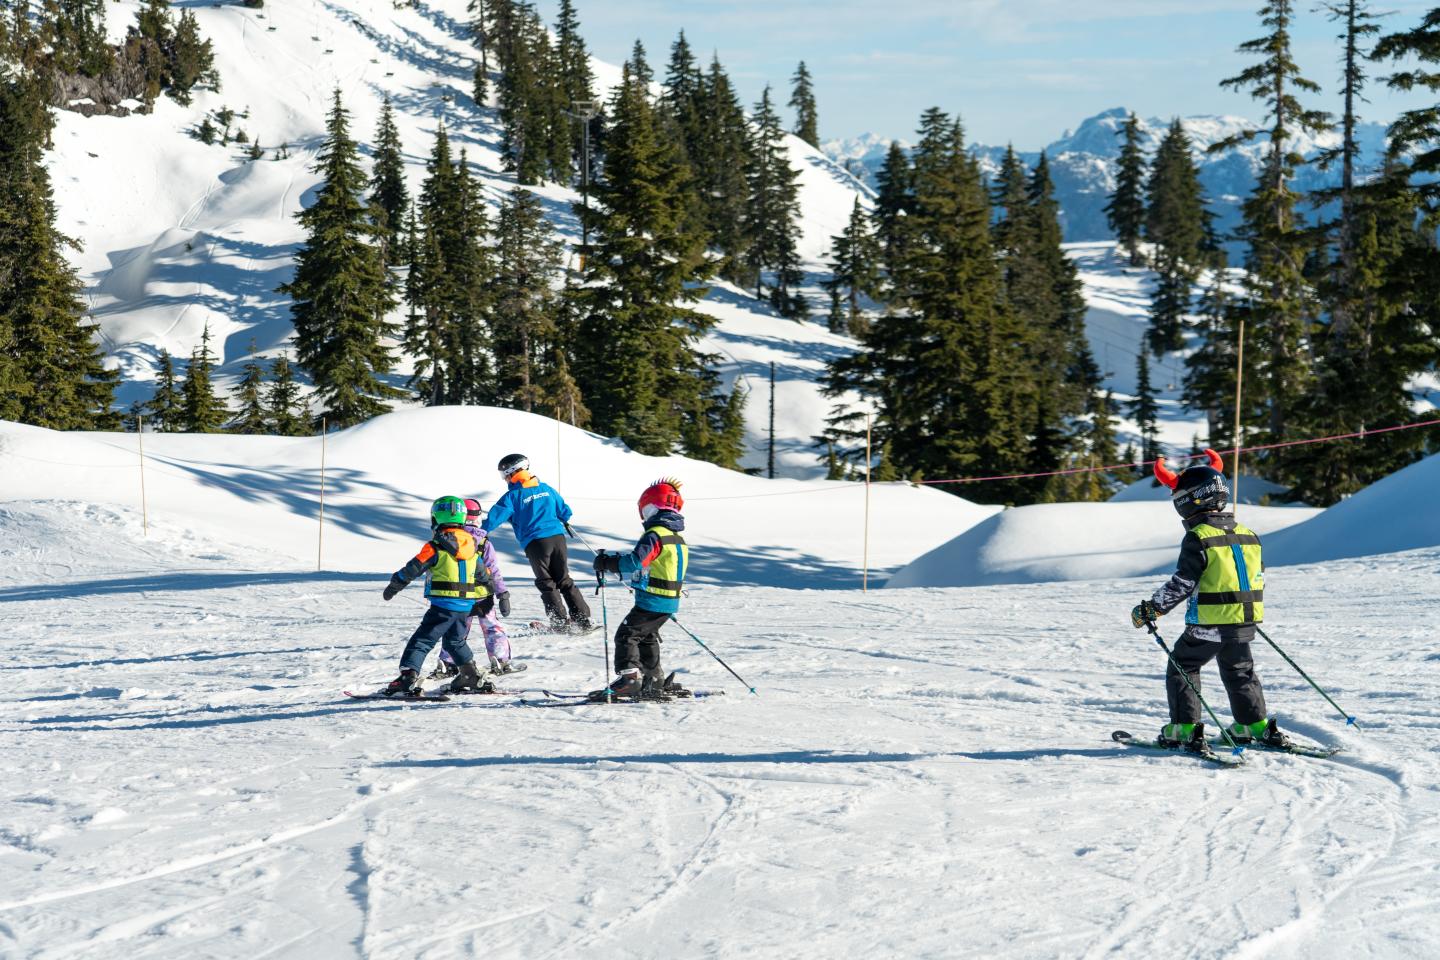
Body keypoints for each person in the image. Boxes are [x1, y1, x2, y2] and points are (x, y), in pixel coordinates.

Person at [1131, 449, 1293, 756]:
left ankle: (1184, 730)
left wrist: (1151, 609)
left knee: (1183, 664)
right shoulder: (1248, 534)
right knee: (1239, 669)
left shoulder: (1199, 536)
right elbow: (1252, 576)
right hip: (1244, 619)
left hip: (1209, 622)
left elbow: (1183, 583)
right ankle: (1253, 725)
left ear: (1187, 501)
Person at [379, 496, 496, 696]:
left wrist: (395, 584)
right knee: (455, 641)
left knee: (422, 640)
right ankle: (470, 675)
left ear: (435, 519)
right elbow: (483, 574)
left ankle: (407, 678)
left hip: (443, 604)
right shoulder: (471, 546)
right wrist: (491, 590)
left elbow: (413, 568)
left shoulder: (435, 546)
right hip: (465, 605)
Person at [590, 477, 691, 701]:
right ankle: (653, 679)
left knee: (627, 635)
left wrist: (608, 563)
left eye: (644, 509)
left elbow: (635, 562)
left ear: (652, 507)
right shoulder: (676, 536)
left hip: (653, 600)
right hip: (667, 600)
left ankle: (630, 680)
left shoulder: (655, 534)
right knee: (646, 636)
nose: (643, 514)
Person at [482, 453, 593, 632]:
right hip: (558, 539)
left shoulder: (513, 496)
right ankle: (583, 620)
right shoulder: (546, 488)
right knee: (564, 579)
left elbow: (495, 518)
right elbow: (565, 511)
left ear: (512, 472)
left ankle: (559, 623)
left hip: (535, 543)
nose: (504, 479)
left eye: (504, 475)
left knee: (546, 581)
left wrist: (480, 532)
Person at [430, 498, 523, 678]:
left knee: (456, 630)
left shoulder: (450, 540)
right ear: (477, 518)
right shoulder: (483, 542)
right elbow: (493, 570)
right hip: (483, 596)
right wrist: (502, 593)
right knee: (492, 628)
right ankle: (501, 660)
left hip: (458, 595)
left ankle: (448, 662)